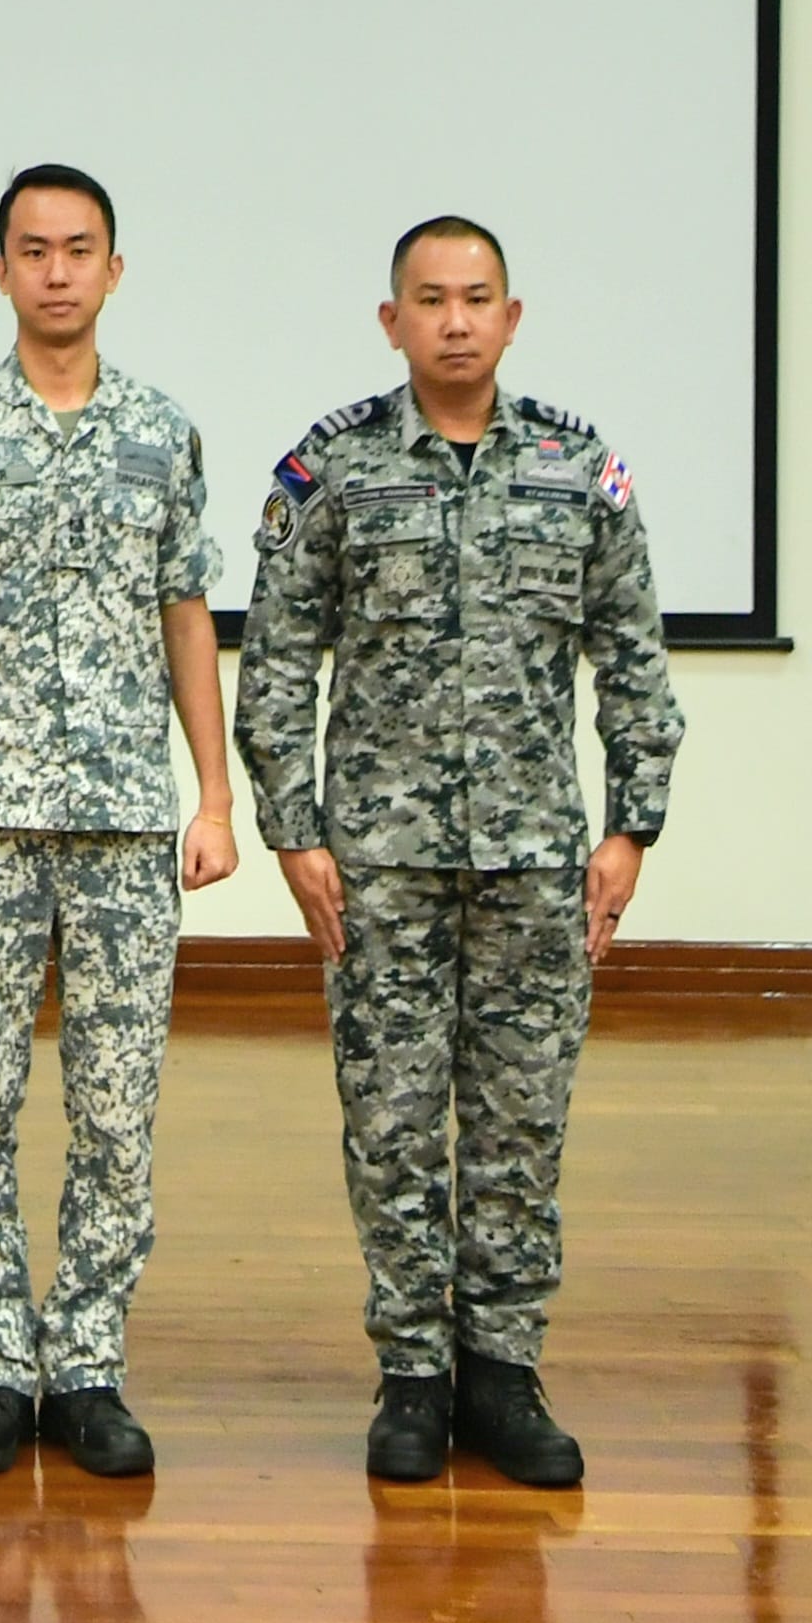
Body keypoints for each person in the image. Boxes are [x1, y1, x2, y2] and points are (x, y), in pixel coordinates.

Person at [236, 217, 680, 1488]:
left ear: (509, 315)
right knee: (388, 1120)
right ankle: (411, 1374)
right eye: (427, 299)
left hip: (535, 858)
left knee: (518, 1120)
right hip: (377, 862)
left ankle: (501, 1371)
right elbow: (275, 662)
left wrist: (629, 826)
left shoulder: (575, 468)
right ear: (391, 321)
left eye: (474, 297)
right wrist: (293, 831)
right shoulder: (334, 469)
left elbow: (632, 661)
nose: (452, 320)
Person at [0, 163, 241, 1481]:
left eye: (77, 248)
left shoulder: (161, 432)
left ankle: (85, 1362)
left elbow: (184, 615)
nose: (54, 270)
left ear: (112, 269)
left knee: (115, 1106)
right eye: (30, 249)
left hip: (122, 823)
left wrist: (213, 794)